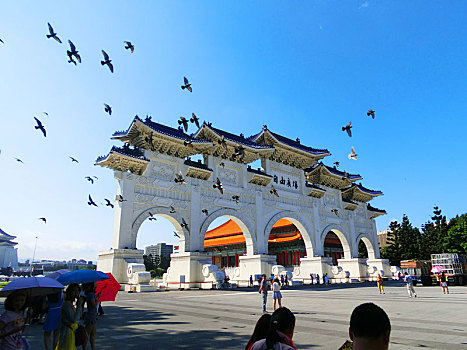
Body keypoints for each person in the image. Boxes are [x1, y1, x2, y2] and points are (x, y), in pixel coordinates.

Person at [57, 283, 83, 350]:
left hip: (72, 332)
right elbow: (74, 319)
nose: (76, 293)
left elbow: (79, 316)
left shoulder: (71, 304)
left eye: (78, 291)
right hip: (67, 333)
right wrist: (79, 306)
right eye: (74, 290)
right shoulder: (66, 305)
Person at [83, 282, 101, 350]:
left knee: (92, 335)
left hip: (93, 315)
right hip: (90, 316)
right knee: (86, 335)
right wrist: (98, 298)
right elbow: (94, 305)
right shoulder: (90, 295)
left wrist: (96, 297)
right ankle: (84, 348)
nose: (96, 284)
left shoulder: (92, 294)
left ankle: (93, 348)